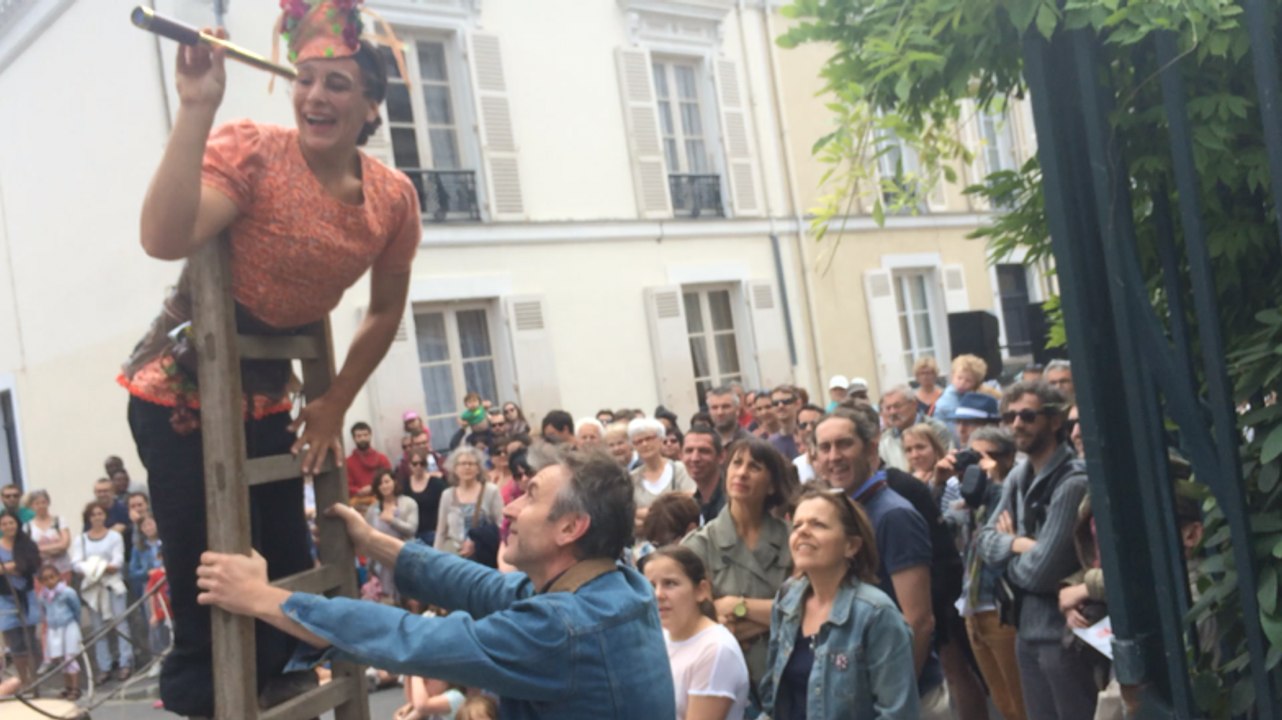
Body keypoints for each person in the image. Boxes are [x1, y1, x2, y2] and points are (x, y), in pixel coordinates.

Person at [121, 3, 420, 712]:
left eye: (338, 84)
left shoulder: (392, 198)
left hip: (266, 399)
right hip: (179, 394)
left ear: (371, 105)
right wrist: (197, 106)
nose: (316, 96)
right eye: (305, 79)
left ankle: (263, 677)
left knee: (286, 568)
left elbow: (384, 309)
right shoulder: (253, 148)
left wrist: (336, 400)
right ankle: (207, 700)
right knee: (210, 585)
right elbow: (164, 238)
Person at [194, 445, 677, 718]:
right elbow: (479, 585)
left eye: (528, 497)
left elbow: (412, 638)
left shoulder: (562, 629)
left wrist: (261, 598)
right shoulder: (615, 584)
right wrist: (374, 540)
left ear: (571, 529)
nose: (508, 508)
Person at [812, 407, 951, 717]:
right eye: (825, 447)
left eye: (844, 444)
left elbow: (919, 620)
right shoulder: (846, 512)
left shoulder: (893, 515)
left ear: (871, 449)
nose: (834, 456)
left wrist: (897, 699)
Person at [976, 381, 1094, 719]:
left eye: (1027, 415)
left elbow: (1042, 573)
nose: (1016, 424)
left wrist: (1007, 554)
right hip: (1025, 629)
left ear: (1055, 421)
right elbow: (983, 541)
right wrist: (1021, 543)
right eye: (1009, 416)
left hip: (1065, 634)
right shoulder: (1017, 476)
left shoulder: (1072, 481)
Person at [760, 488, 919, 719]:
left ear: (851, 546)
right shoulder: (786, 599)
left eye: (818, 525)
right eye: (797, 525)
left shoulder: (876, 614)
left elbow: (898, 713)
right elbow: (773, 703)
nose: (803, 531)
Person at [682, 437, 792, 688]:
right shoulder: (699, 545)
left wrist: (736, 606)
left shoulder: (793, 537)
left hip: (787, 673)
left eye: (754, 467)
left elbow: (808, 609)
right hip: (726, 680)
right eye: (736, 463)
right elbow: (697, 627)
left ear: (772, 485)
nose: (742, 473)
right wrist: (777, 615)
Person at [955, 427, 1026, 720]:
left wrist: (994, 479)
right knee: (1003, 702)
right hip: (972, 607)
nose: (981, 466)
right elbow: (945, 523)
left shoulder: (1012, 490)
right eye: (975, 457)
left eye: (990, 456)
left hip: (1001, 609)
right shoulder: (971, 496)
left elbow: (995, 546)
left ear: (1009, 457)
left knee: (1022, 703)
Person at [640, 546, 749, 720]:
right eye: (651, 586)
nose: (658, 594)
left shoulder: (716, 650)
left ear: (701, 590)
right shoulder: (659, 636)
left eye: (670, 583)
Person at [72, 502, 133, 684]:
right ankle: (104, 666)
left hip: (112, 585)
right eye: (93, 515)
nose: (97, 517)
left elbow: (117, 562)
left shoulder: (114, 536)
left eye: (100, 513)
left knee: (121, 624)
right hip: (93, 587)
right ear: (88, 518)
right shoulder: (81, 540)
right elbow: (76, 563)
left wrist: (99, 566)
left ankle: (126, 662)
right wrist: (91, 569)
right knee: (98, 628)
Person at [0, 509, 42, 689]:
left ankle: (35, 679)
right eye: (4, 524)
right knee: (15, 642)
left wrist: (9, 566)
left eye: (11, 523)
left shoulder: (27, 544)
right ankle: (23, 680)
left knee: (31, 641)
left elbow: (31, 564)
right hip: (5, 597)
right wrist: (15, 567)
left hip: (26, 596)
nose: (8, 526)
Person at [434, 447, 503, 556]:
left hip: (483, 553)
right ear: (455, 468)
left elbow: (501, 524)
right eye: (462, 464)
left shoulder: (491, 491)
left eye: (471, 464)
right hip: (454, 554)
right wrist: (436, 557)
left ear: (478, 468)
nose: (467, 467)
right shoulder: (447, 495)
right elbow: (441, 531)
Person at [365, 470, 419, 602]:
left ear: (394, 482)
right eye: (380, 483)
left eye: (387, 481)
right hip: (382, 558)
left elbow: (412, 529)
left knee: (410, 597)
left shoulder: (409, 503)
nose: (384, 486)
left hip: (405, 554)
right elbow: (368, 537)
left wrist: (392, 520)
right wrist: (369, 566)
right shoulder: (372, 510)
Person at [879, 384, 952, 473]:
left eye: (897, 406)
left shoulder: (936, 430)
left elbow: (945, 466)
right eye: (888, 408)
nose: (892, 412)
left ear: (914, 404)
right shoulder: (885, 439)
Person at [36, 563, 83, 700]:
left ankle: (75, 688)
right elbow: (44, 611)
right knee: (61, 659)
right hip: (54, 629)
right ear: (41, 581)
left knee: (70, 657)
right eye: (45, 579)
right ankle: (67, 687)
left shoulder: (67, 592)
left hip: (68, 626)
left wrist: (75, 623)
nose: (50, 581)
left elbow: (76, 608)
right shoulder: (43, 596)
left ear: (58, 577)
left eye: (52, 577)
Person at [628, 418, 696, 511]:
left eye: (649, 438)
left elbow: (691, 500)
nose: (644, 444)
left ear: (661, 439)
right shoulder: (632, 479)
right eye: (638, 441)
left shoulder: (680, 469)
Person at [24, 490, 72, 583]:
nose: (41, 506)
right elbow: (28, 550)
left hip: (62, 569)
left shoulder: (59, 521)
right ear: (31, 506)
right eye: (37, 503)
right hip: (41, 573)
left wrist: (40, 549)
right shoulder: (27, 527)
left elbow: (64, 544)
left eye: (43, 502)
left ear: (48, 503)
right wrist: (56, 547)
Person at [934, 354, 988, 435]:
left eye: (968, 380)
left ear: (976, 383)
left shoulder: (975, 398)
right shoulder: (946, 399)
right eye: (959, 378)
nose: (962, 383)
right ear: (952, 376)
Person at [682, 426, 726, 523]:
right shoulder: (692, 504)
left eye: (704, 451)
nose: (695, 458)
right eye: (689, 451)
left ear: (721, 456)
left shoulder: (732, 501)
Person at [404, 451, 448, 547]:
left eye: (422, 463)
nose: (418, 466)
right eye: (415, 464)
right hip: (412, 535)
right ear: (409, 465)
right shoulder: (404, 485)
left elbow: (447, 507)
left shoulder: (437, 484)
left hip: (433, 533)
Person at [347, 421, 392, 507]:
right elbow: (346, 486)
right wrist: (359, 491)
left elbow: (390, 480)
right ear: (354, 438)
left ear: (370, 435)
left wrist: (373, 488)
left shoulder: (382, 459)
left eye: (365, 435)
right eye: (359, 436)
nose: (363, 438)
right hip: (359, 505)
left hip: (382, 502)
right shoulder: (348, 462)